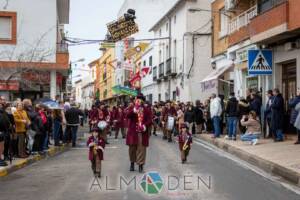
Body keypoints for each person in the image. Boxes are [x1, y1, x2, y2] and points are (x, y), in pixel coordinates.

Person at [126, 94, 150, 173]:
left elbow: (149, 120)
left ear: (143, 101)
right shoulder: (132, 108)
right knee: (132, 148)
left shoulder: (146, 109)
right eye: (137, 99)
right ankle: (132, 163)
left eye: (140, 100)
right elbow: (127, 116)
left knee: (141, 149)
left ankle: (140, 165)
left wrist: (144, 126)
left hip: (142, 132)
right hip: (133, 132)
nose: (138, 101)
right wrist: (134, 110)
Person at [0, 99, 11, 166]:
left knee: (2, 146)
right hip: (1, 131)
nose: (0, 105)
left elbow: (7, 121)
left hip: (4, 131)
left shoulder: (3, 112)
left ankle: (1, 158)